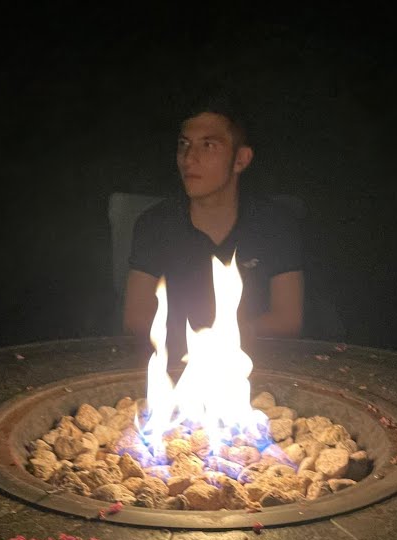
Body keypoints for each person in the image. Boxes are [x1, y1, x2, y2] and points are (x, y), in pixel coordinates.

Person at [122, 96, 304, 368]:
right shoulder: (156, 224)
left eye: (208, 145)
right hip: (172, 368)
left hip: (256, 367)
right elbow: (136, 318)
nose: (189, 158)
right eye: (184, 145)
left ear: (240, 159)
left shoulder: (274, 224)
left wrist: (220, 340)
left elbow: (288, 320)